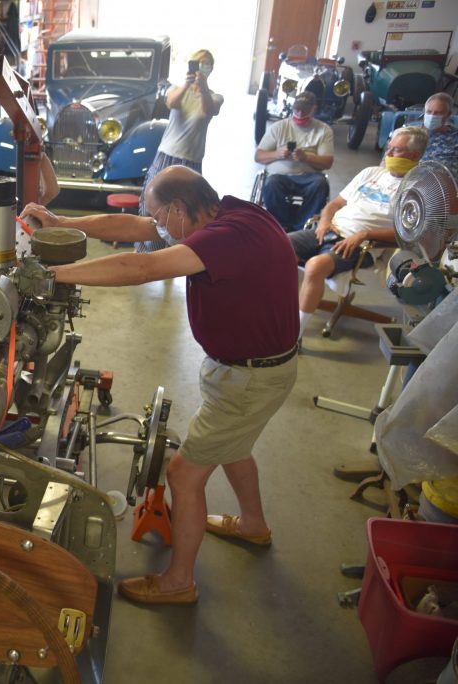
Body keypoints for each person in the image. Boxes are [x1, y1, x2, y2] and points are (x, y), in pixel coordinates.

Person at [22, 166, 299, 604]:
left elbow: (143, 265)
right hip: (249, 371)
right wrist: (65, 223)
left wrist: (53, 277)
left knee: (183, 476)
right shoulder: (232, 213)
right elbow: (136, 228)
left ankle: (178, 583)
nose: (158, 225)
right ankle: (253, 525)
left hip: (249, 378)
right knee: (234, 446)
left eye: (161, 216)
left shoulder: (222, 239)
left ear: (178, 208)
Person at [292, 126, 427, 338]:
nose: (388, 154)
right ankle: (283, 307)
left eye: (396, 150)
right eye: (389, 148)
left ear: (414, 155)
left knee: (314, 266)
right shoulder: (371, 173)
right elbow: (335, 203)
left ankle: (295, 336)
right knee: (276, 246)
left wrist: (365, 234)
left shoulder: (418, 189)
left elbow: (407, 234)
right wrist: (324, 222)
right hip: (329, 230)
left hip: (360, 245)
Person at [136, 49, 224, 253]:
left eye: (207, 64)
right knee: (151, 204)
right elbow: (170, 103)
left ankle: (173, 254)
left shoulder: (214, 97)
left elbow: (209, 110)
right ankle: (144, 251)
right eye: (198, 63)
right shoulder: (177, 89)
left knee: (187, 210)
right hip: (167, 155)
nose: (202, 68)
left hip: (191, 160)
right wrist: (187, 84)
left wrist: (202, 89)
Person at [255, 92, 335, 232]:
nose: (299, 113)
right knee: (271, 184)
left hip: (308, 177)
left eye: (304, 110)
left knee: (320, 184)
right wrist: (277, 154)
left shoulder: (323, 130)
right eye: (297, 109)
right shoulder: (279, 127)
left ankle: (303, 226)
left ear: (313, 109)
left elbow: (327, 162)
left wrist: (306, 157)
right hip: (279, 176)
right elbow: (259, 156)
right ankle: (282, 224)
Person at [418, 92, 458, 178]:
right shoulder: (411, 134)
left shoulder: (455, 139)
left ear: (448, 115)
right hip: (408, 182)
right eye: (429, 112)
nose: (432, 116)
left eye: (438, 113)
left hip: (444, 187)